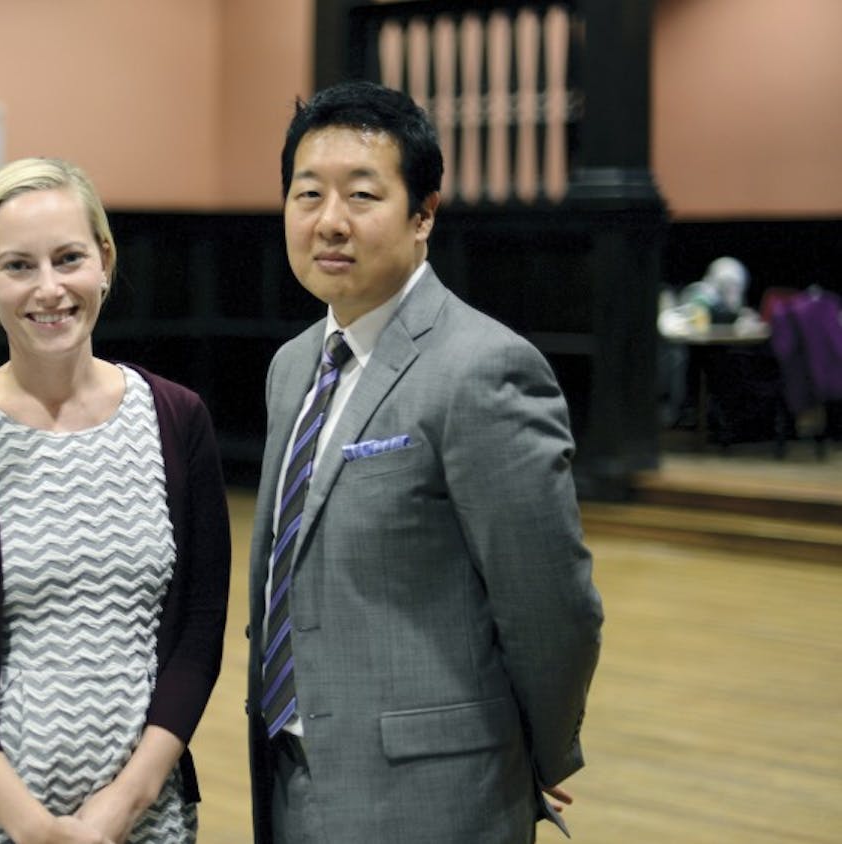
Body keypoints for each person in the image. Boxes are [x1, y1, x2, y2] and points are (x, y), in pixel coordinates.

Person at [246, 80, 603, 842]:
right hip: (290, 778)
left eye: (363, 196)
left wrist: (530, 751)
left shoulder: (483, 368)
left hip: (437, 795)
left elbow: (551, 602)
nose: (330, 222)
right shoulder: (292, 366)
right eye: (307, 194)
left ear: (424, 213)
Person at [0, 157, 230, 844]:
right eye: (18, 266)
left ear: (104, 260)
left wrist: (123, 806)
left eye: (68, 258)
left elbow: (197, 640)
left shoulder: (178, 419)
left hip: (143, 820)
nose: (49, 289)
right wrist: (35, 828)